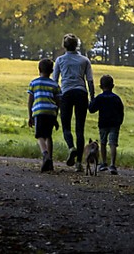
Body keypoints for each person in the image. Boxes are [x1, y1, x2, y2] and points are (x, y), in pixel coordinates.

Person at [52, 33, 95, 172]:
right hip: (81, 93)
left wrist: (54, 97)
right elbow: (90, 81)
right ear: (77, 45)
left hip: (66, 93)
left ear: (64, 46)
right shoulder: (84, 60)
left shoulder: (59, 60)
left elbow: (54, 81)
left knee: (66, 126)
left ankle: (71, 147)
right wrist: (92, 98)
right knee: (80, 129)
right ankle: (78, 164)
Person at [27, 57, 61, 172]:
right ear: (51, 71)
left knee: (39, 136)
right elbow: (58, 102)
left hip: (39, 112)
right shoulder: (54, 85)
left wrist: (30, 115)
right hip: (51, 112)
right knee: (48, 136)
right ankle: (50, 162)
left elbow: (30, 101)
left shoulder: (34, 83)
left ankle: (45, 154)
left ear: (39, 69)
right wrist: (56, 116)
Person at [88, 74, 124, 175]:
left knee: (103, 143)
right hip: (114, 123)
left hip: (103, 123)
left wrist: (90, 101)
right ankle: (112, 164)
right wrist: (120, 121)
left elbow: (91, 110)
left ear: (100, 86)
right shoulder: (116, 98)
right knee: (113, 144)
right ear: (113, 86)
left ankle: (104, 163)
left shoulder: (100, 98)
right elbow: (121, 111)